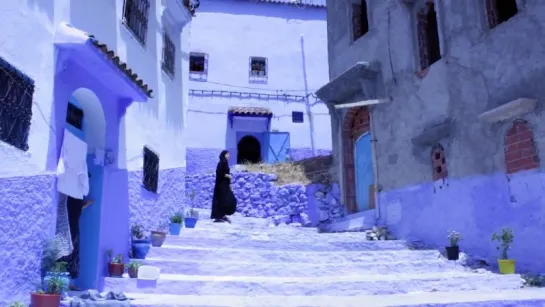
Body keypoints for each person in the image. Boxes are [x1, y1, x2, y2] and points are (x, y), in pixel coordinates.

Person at [58, 172, 93, 290]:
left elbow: (74, 209)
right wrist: (84, 205)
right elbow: (73, 209)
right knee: (69, 251)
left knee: (71, 251)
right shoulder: (75, 193)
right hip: (69, 227)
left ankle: (68, 282)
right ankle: (66, 283)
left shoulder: (74, 193)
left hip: (71, 226)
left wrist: (84, 205)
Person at [211, 150, 237, 223]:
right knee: (222, 200)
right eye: (227, 154)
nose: (228, 156)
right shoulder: (222, 162)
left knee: (226, 199)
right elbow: (219, 173)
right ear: (223, 155)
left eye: (229, 154)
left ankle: (222, 215)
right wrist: (227, 175)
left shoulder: (225, 163)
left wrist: (229, 184)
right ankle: (219, 216)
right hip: (221, 185)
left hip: (225, 185)